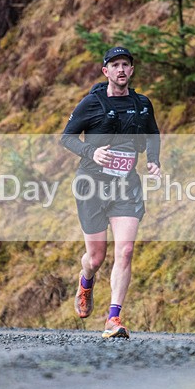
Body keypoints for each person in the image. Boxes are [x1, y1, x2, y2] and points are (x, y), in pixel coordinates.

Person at [60, 46, 161, 339]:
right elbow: (66, 138)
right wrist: (92, 152)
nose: (120, 70)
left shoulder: (142, 104)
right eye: (114, 65)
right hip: (91, 184)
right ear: (106, 72)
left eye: (125, 65)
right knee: (96, 257)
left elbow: (152, 134)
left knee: (126, 251)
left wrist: (153, 160)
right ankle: (86, 281)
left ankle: (113, 319)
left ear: (131, 71)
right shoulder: (91, 104)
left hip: (125, 185)